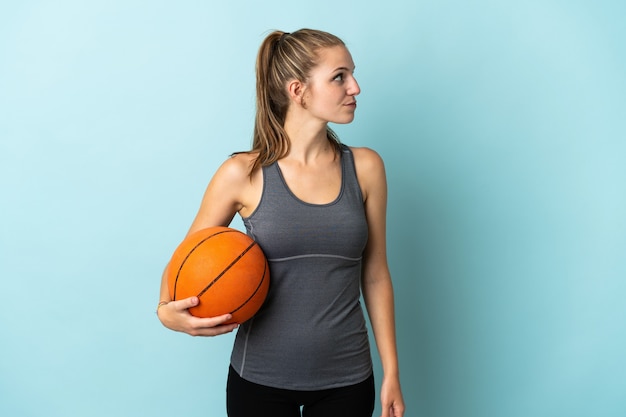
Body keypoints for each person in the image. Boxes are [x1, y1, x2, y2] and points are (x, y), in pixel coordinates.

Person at [157, 28, 405, 417]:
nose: (354, 87)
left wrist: (391, 371)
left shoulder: (366, 168)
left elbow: (375, 275)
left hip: (348, 380)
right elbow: (184, 265)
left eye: (352, 74)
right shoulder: (242, 173)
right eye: (339, 76)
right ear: (298, 90)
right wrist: (165, 310)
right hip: (258, 381)